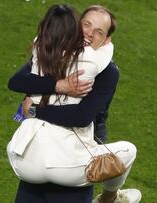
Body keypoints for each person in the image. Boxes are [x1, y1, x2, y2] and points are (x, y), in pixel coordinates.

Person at [7, 4, 141, 203]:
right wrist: (59, 85)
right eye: (86, 25)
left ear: (106, 40)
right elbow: (17, 81)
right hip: (54, 159)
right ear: (77, 25)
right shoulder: (54, 55)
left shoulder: (104, 70)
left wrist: (35, 110)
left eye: (99, 32)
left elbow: (85, 115)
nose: (89, 34)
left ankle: (110, 196)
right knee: (128, 151)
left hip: (48, 157)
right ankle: (111, 196)